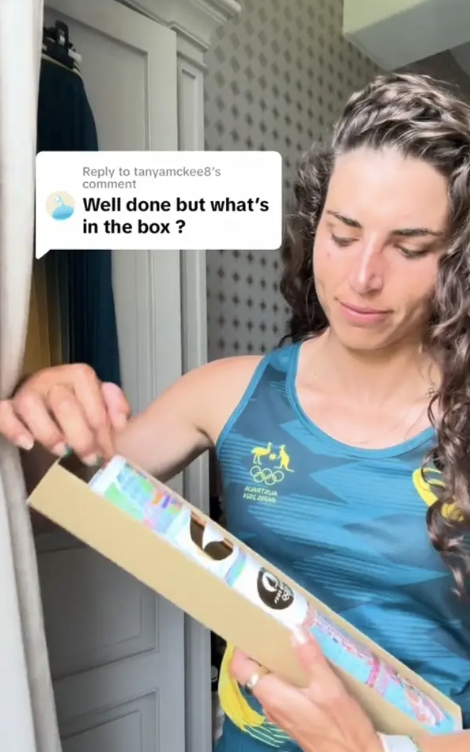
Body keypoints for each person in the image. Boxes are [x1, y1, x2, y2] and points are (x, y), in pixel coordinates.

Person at [2, 72, 470, 752]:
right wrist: (38, 412)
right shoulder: (227, 392)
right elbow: (60, 495)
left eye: (409, 248)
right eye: (343, 234)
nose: (363, 276)